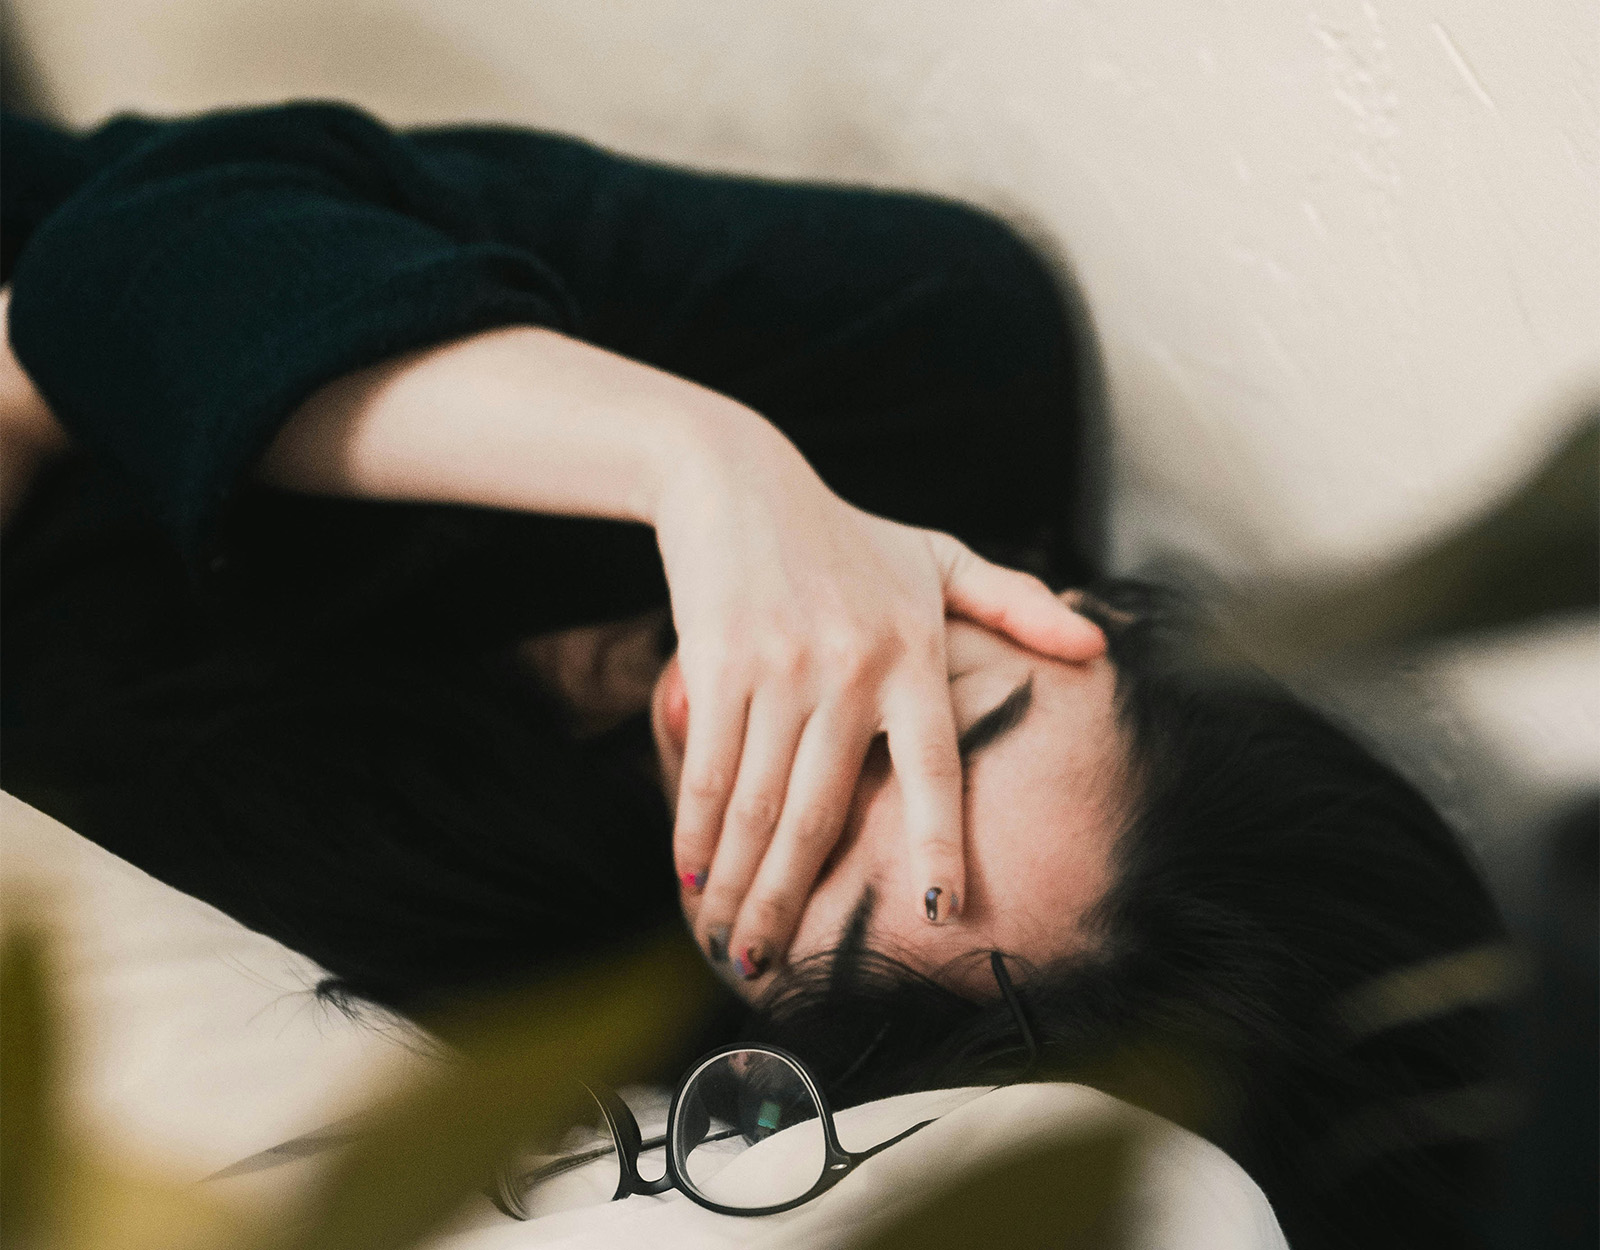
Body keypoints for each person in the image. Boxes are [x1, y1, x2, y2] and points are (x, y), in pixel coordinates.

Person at [1, 103, 1503, 1248]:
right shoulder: (940, 367)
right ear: (1078, 613)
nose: (765, 740)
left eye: (800, 891)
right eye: (937, 722)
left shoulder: (548, 1032)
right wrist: (707, 466)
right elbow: (131, 242)